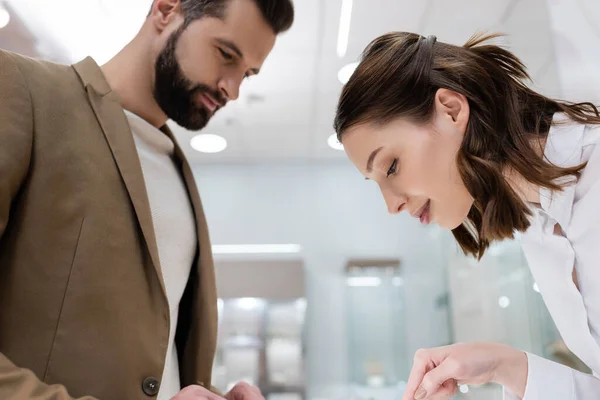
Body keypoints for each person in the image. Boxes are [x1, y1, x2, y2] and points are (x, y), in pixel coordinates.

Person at [0, 0, 293, 399]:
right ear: (166, 10)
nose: (233, 89)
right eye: (226, 55)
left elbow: (152, 360)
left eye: (248, 74)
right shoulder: (23, 90)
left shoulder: (178, 170)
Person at [334, 31, 600, 400]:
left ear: (452, 110)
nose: (390, 206)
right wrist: (503, 366)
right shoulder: (537, 226)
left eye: (391, 166)